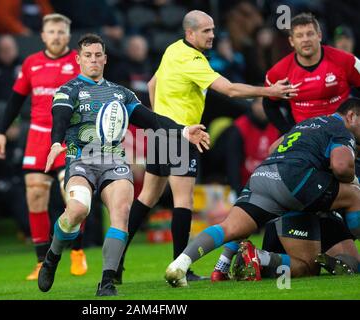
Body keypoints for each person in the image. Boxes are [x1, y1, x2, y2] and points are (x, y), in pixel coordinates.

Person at [116, 9, 298, 284]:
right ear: (190, 33)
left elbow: (153, 84)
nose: (213, 35)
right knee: (183, 201)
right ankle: (181, 267)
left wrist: (157, 119)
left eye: (213, 29)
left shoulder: (173, 49)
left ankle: (115, 263)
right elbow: (230, 90)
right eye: (206, 31)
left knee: (147, 199)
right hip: (182, 135)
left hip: (161, 133)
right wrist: (269, 92)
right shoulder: (193, 60)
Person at [36, 33, 210, 297]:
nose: (93, 60)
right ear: (78, 59)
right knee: (77, 211)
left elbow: (152, 120)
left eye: (98, 55)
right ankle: (53, 255)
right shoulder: (68, 90)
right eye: (88, 56)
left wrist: (184, 131)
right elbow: (60, 117)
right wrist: (56, 142)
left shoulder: (121, 93)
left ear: (105, 59)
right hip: (81, 159)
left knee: (122, 211)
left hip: (114, 161)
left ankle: (106, 281)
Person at [212, 12, 360, 282]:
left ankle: (248, 259)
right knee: (337, 193)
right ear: (291, 41)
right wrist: (287, 131)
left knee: (347, 257)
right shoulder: (279, 71)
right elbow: (269, 102)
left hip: (339, 142)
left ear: (319, 36)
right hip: (308, 148)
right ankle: (264, 253)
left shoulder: (345, 62)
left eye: (310, 34)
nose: (306, 40)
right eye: (300, 35)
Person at [165, 97, 360, 286]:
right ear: (351, 116)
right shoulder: (341, 129)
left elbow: (274, 148)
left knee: (230, 227)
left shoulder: (306, 124)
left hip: (264, 175)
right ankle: (262, 258)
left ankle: (180, 263)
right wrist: (351, 179)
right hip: (295, 181)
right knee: (353, 192)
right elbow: (342, 167)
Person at [0, 13, 87, 280]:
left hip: (70, 137)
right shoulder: (31, 63)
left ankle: (77, 250)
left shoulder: (79, 62)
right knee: (34, 195)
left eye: (61, 32)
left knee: (72, 195)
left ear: (68, 36)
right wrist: (1, 132)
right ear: (43, 35)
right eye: (51, 32)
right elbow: (15, 100)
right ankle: (40, 261)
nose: (56, 36)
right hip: (38, 136)